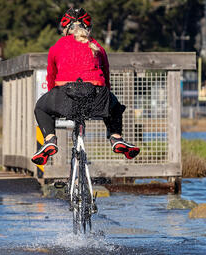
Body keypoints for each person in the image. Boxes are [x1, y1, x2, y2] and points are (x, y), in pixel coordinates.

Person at [31, 8, 140, 165]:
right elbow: (106, 77)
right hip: (97, 97)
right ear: (88, 29)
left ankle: (49, 140)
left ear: (65, 29)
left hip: (64, 97)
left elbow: (51, 78)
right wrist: (106, 98)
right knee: (115, 107)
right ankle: (116, 138)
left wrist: (55, 103)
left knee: (40, 107)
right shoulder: (96, 45)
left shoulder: (57, 46)